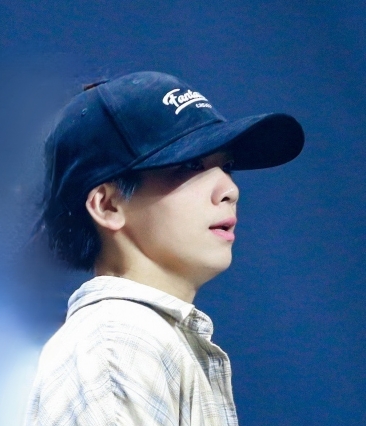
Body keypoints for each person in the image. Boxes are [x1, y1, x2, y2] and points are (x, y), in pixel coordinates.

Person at [25, 71, 304, 425]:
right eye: (190, 164)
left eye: (227, 166)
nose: (229, 190)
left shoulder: (141, 337)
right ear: (107, 206)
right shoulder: (120, 343)